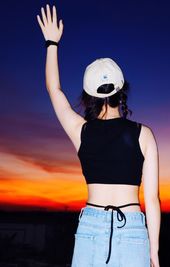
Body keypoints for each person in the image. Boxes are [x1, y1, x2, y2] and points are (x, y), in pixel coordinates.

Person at [36, 4, 161, 267]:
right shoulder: (144, 135)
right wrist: (154, 252)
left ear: (89, 96)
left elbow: (54, 90)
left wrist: (51, 43)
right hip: (133, 229)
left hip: (90, 228)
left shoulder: (81, 131)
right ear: (121, 91)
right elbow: (151, 199)